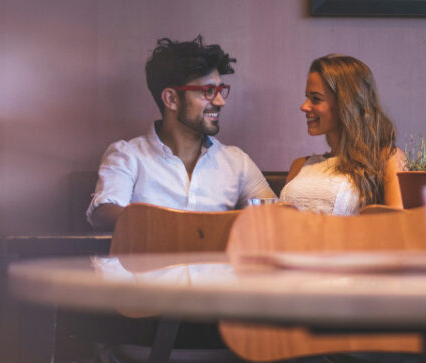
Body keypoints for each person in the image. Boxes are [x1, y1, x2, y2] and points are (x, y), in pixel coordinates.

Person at [86, 36, 276, 232]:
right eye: (209, 91)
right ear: (171, 99)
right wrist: (187, 228)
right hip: (149, 263)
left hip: (218, 264)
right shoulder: (127, 155)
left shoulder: (237, 162)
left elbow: (275, 214)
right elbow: (104, 212)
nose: (220, 102)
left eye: (220, 90)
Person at [279, 54, 405, 215]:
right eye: (307, 97)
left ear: (345, 104)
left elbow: (398, 226)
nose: (304, 106)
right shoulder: (299, 166)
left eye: (316, 99)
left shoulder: (387, 158)